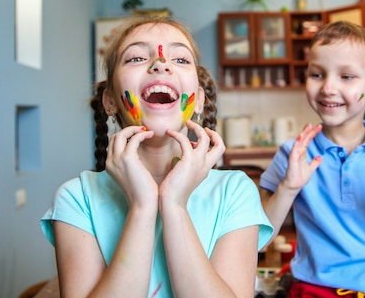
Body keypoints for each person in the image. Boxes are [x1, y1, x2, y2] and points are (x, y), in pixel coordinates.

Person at [41, 16, 273, 298]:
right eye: (137, 58)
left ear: (198, 99)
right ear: (110, 100)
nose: (160, 63)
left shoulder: (235, 192)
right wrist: (142, 206)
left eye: (181, 59)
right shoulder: (77, 198)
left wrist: (174, 205)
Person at [260, 21, 365, 298]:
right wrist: (288, 188)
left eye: (347, 76)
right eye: (317, 74)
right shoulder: (294, 154)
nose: (328, 87)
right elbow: (258, 242)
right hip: (314, 290)